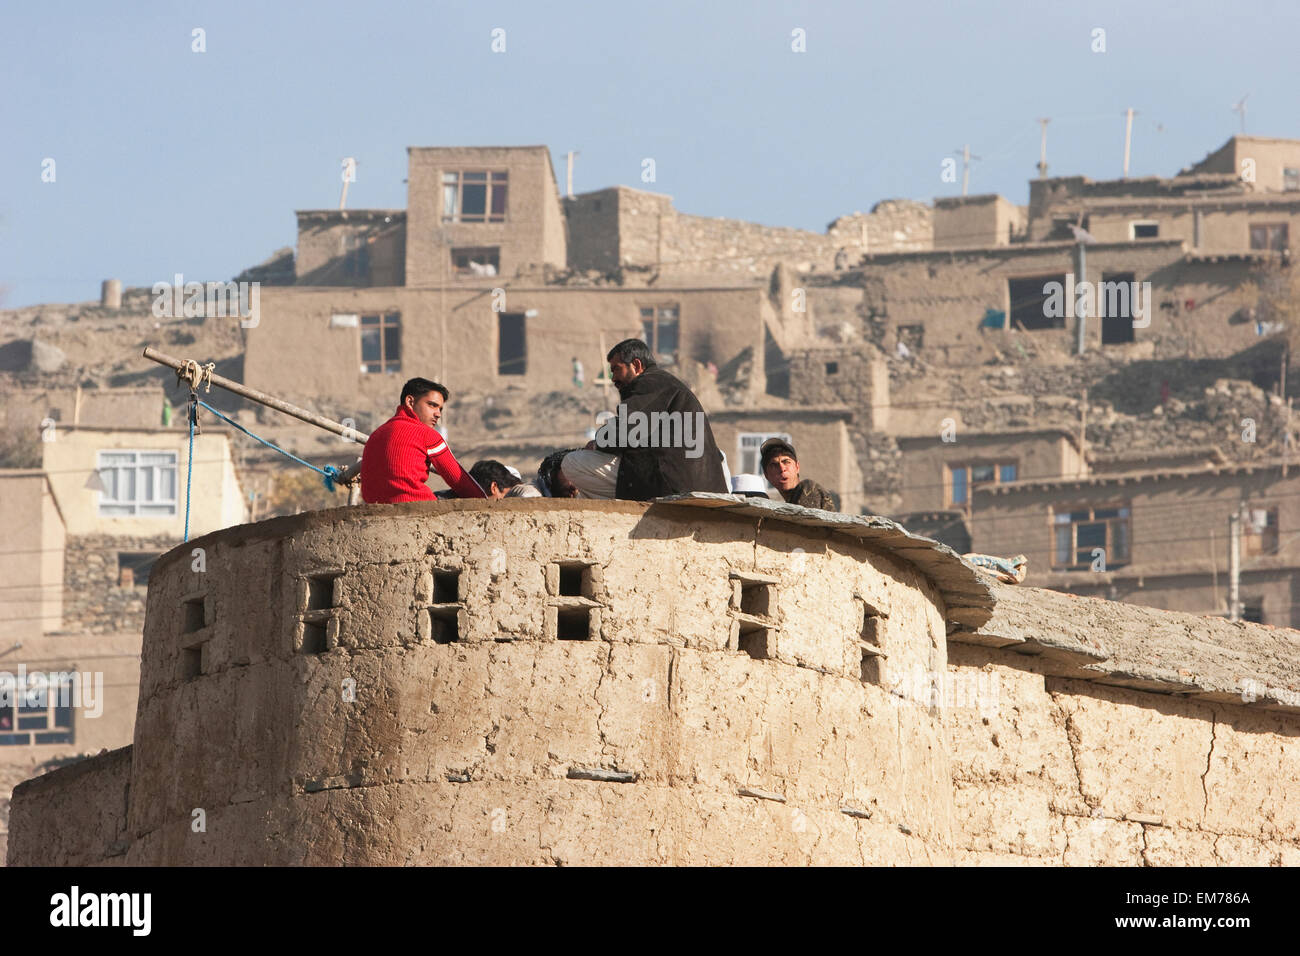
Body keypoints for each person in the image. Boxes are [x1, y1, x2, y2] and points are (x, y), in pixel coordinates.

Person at [561, 338, 727, 500]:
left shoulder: (649, 384)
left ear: (637, 365)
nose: (613, 379)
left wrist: (598, 443)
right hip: (698, 483)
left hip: (673, 485)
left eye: (617, 369)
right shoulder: (665, 383)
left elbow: (622, 434)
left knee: (572, 463)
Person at [360, 377, 486, 503]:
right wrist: (487, 503)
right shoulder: (427, 434)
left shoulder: (375, 435)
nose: (438, 414)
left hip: (374, 508)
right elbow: (460, 481)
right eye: (432, 405)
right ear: (410, 402)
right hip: (416, 506)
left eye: (440, 409)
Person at [760, 437, 837, 511]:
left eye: (786, 462)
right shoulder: (790, 505)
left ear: (797, 467)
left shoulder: (808, 488)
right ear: (766, 475)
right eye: (774, 465)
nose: (782, 469)